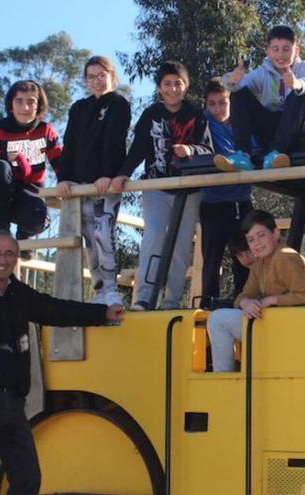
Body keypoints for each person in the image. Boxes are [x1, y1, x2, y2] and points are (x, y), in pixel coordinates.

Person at [0, 230, 125, 494]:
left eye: (9, 253)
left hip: (12, 403)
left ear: (17, 257)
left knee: (27, 479)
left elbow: (55, 310)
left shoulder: (17, 293)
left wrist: (103, 313)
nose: (2, 260)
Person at [112, 61, 213, 311]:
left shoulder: (196, 115)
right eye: (167, 84)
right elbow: (137, 149)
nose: (172, 89)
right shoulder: (151, 114)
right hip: (156, 187)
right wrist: (123, 173)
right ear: (159, 87)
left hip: (188, 191)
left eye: (178, 83)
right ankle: (145, 297)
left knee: (180, 247)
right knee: (154, 237)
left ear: (185, 86)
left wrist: (190, 149)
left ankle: (171, 301)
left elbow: (208, 150)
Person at [57, 55, 131, 306]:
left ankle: (111, 288)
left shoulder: (119, 104)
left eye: (102, 75)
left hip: (106, 185)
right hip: (81, 185)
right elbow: (69, 144)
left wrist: (109, 174)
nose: (97, 81)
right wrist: (64, 178)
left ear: (112, 76)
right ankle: (99, 289)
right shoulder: (79, 108)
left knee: (103, 232)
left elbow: (115, 141)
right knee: (89, 236)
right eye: (91, 77)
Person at [207, 210, 305, 371]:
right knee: (219, 317)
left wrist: (273, 300)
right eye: (251, 240)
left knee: (218, 320)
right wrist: (246, 303)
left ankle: (222, 379)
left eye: (261, 235)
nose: (257, 243)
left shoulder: (284, 257)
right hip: (272, 323)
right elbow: (244, 295)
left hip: (292, 327)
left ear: (275, 233)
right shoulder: (259, 264)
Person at [0, 80, 63, 260]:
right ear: (11, 105)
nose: (25, 107)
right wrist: (5, 155)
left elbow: (61, 162)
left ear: (38, 106)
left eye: (31, 102)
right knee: (0, 167)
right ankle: (2, 228)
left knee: (41, 220)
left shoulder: (46, 131)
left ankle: (23, 236)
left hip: (28, 196)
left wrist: (66, 182)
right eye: (19, 101)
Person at [215, 25, 305, 171]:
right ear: (268, 51)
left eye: (286, 49)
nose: (281, 55)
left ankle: (277, 153)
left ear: (296, 51)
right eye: (275, 49)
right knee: (238, 93)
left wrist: (297, 83)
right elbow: (238, 85)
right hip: (273, 134)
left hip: (302, 133)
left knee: (299, 95)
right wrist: (232, 80)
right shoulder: (263, 72)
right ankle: (243, 155)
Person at [199, 79, 254, 308]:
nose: (218, 109)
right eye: (212, 104)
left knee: (245, 256)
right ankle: (207, 306)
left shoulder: (244, 123)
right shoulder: (204, 124)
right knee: (212, 259)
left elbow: (255, 149)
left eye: (222, 102)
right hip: (214, 202)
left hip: (242, 200)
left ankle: (244, 301)